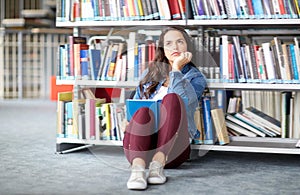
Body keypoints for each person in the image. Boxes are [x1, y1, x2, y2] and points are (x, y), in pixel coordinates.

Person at [123, 26, 207, 190]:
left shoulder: (196, 77)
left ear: (187, 47)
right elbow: (134, 106)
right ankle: (138, 171)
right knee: (142, 111)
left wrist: (176, 69)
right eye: (169, 43)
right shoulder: (150, 73)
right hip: (140, 147)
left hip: (173, 151)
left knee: (171, 99)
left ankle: (157, 165)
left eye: (180, 42)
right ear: (162, 48)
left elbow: (182, 103)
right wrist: (126, 122)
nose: (175, 47)